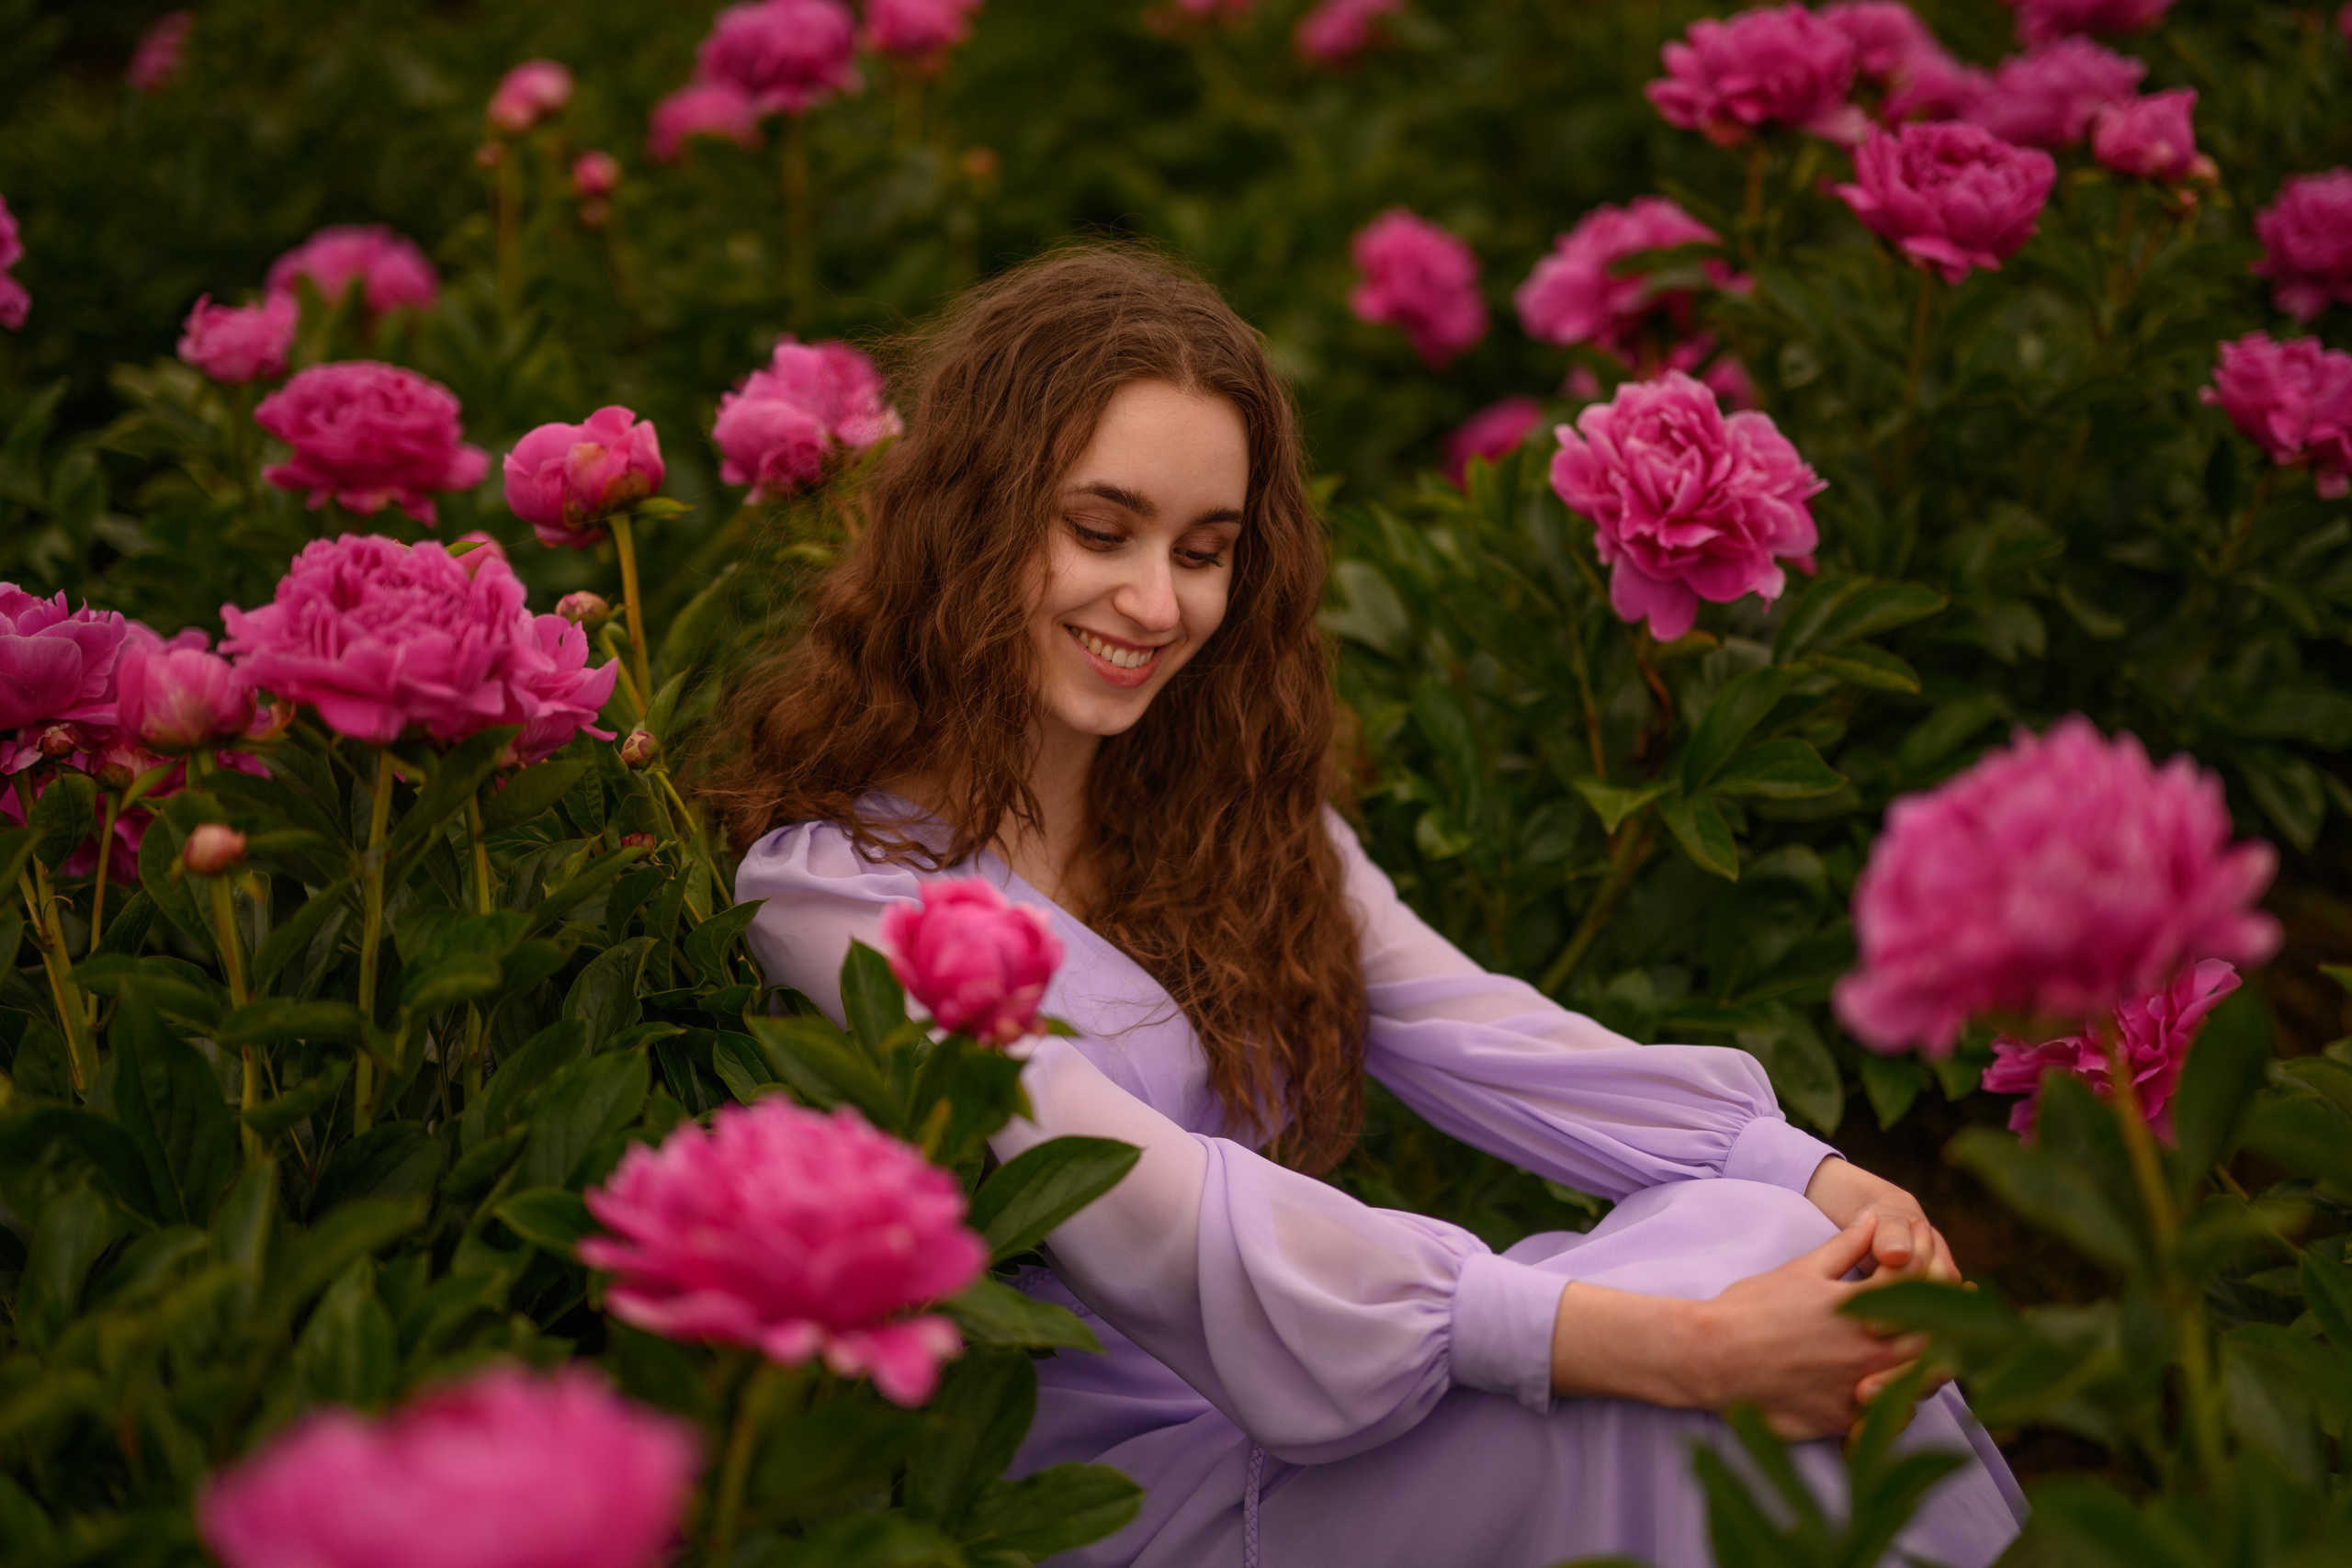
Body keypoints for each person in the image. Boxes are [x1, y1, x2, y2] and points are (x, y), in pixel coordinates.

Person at [718, 245, 2026, 1568]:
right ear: (975, 517)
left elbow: (1494, 1033)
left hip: (1327, 1410)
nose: (1157, 603)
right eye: (1099, 531)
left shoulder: (1233, 818)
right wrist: (1690, 1350)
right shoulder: (841, 890)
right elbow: (1147, 1207)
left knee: (1763, 1234)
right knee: (1630, 1397)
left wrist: (1825, 1181)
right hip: (1099, 1494)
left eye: (1205, 551)